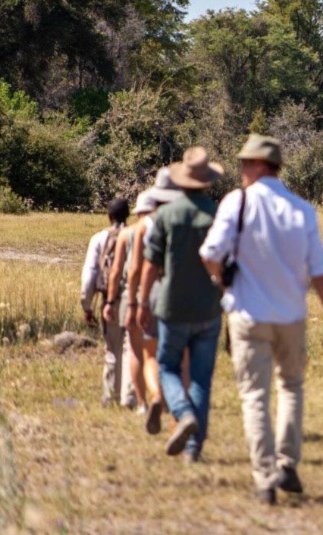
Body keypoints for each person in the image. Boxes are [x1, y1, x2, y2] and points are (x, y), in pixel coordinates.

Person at [200, 134, 323, 504]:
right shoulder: (302, 209)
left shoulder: (237, 202)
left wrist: (221, 281)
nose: (241, 170)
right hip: (292, 315)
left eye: (246, 163)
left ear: (261, 165)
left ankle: (264, 477)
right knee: (291, 387)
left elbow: (210, 253)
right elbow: (320, 272)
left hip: (247, 315)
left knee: (255, 397)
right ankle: (287, 462)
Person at [138, 147, 224, 463]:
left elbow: (150, 265)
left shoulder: (166, 215)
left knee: (167, 366)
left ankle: (182, 412)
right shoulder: (217, 214)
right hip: (209, 307)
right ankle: (194, 449)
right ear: (207, 182)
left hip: (172, 306)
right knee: (201, 377)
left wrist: (141, 302)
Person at [103, 169, 184, 427]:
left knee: (138, 352)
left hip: (135, 294)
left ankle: (142, 402)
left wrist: (111, 300)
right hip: (170, 291)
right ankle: (170, 400)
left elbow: (121, 271)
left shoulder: (131, 233)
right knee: (166, 351)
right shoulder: (175, 224)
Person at [81, 198, 135, 408]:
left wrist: (87, 305)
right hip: (134, 297)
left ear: (108, 216)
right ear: (128, 215)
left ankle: (110, 396)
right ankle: (130, 397)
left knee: (113, 349)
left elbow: (89, 275)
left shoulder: (99, 239)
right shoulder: (136, 235)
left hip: (109, 300)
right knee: (132, 347)